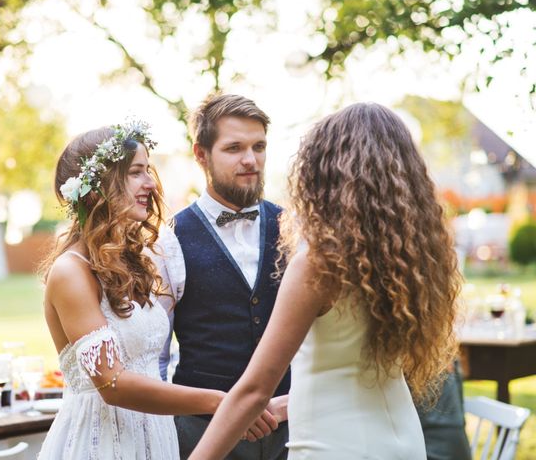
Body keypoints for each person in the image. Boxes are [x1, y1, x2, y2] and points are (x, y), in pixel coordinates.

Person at [190, 102, 462, 459]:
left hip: (334, 446)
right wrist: (293, 401)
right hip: (404, 442)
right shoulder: (412, 257)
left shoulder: (319, 264)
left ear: (325, 171)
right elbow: (357, 368)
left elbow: (254, 390)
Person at [37, 119, 276, 459]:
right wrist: (221, 402)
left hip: (155, 438)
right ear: (99, 185)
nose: (150, 183)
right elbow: (112, 384)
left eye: (148, 170)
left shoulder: (134, 260)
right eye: (136, 172)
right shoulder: (70, 272)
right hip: (103, 442)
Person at [154, 94, 290, 459]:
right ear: (201, 154)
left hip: (292, 431)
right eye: (234, 148)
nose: (251, 160)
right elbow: (156, 355)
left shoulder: (295, 227)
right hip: (203, 433)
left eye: (259, 146)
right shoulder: (168, 238)